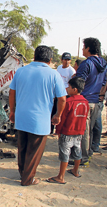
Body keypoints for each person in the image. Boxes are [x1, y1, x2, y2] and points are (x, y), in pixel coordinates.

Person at [9, 45, 67, 186]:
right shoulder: (54, 74)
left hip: (21, 116)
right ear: (50, 59)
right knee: (34, 151)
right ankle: (28, 179)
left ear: (34, 57)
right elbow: (62, 99)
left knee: (22, 146)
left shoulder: (21, 71)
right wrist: (58, 115)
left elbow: (12, 92)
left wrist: (12, 111)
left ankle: (23, 172)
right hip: (39, 119)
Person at [46, 77, 89, 184]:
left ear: (74, 89)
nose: (67, 89)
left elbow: (62, 118)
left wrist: (58, 131)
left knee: (65, 154)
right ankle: (75, 170)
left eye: (69, 87)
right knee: (77, 151)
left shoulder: (68, 102)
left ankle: (61, 176)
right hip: (79, 131)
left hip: (67, 132)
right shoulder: (85, 102)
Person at [73, 37, 107, 167]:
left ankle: (82, 158)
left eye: (83, 47)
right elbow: (104, 83)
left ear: (88, 48)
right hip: (97, 102)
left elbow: (79, 83)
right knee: (91, 129)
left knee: (83, 131)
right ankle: (89, 152)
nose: (82, 49)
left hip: (85, 101)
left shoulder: (86, 64)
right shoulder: (103, 64)